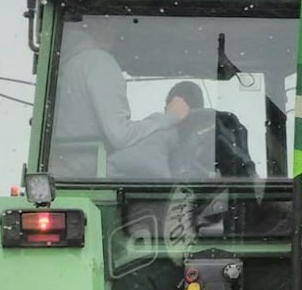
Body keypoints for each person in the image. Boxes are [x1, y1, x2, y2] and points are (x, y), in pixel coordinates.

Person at [52, 21, 202, 178]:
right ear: (96, 25)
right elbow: (120, 135)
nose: (115, 32)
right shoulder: (98, 62)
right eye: (111, 24)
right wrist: (171, 118)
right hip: (91, 174)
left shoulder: (67, 64)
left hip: (66, 171)